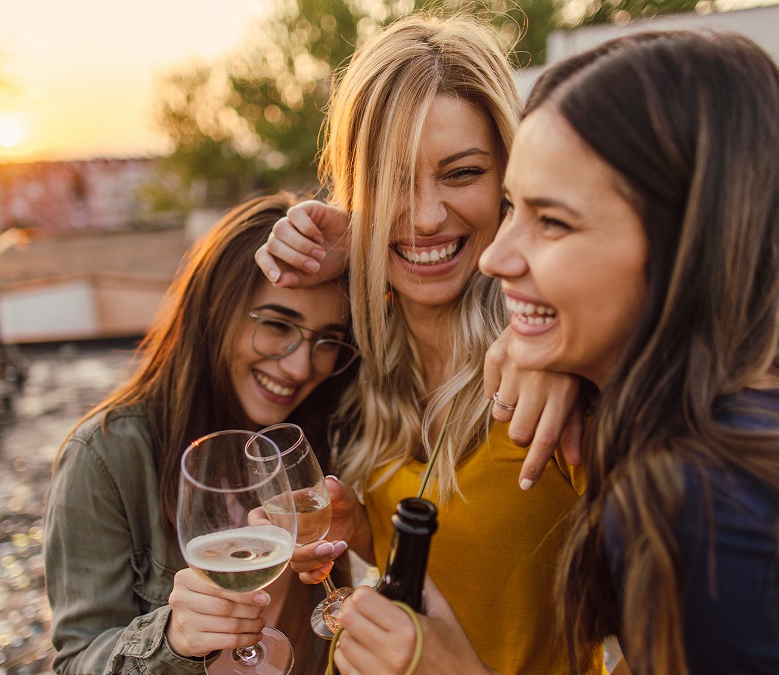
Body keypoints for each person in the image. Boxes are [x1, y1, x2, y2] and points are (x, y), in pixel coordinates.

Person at [338, 30, 779, 675]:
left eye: (551, 219)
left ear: (678, 239)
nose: (498, 256)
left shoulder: (704, 496)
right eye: (516, 207)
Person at [256, 14, 604, 675]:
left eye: (462, 172)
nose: (424, 215)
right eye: (390, 178)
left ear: (512, 178)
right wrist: (362, 529)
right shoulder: (362, 359)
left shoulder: (553, 373)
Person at [43, 193, 359, 674]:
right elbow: (74, 664)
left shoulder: (325, 427)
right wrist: (172, 638)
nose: (300, 366)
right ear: (213, 310)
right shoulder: (105, 456)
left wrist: (360, 242)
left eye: (327, 340)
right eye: (277, 325)